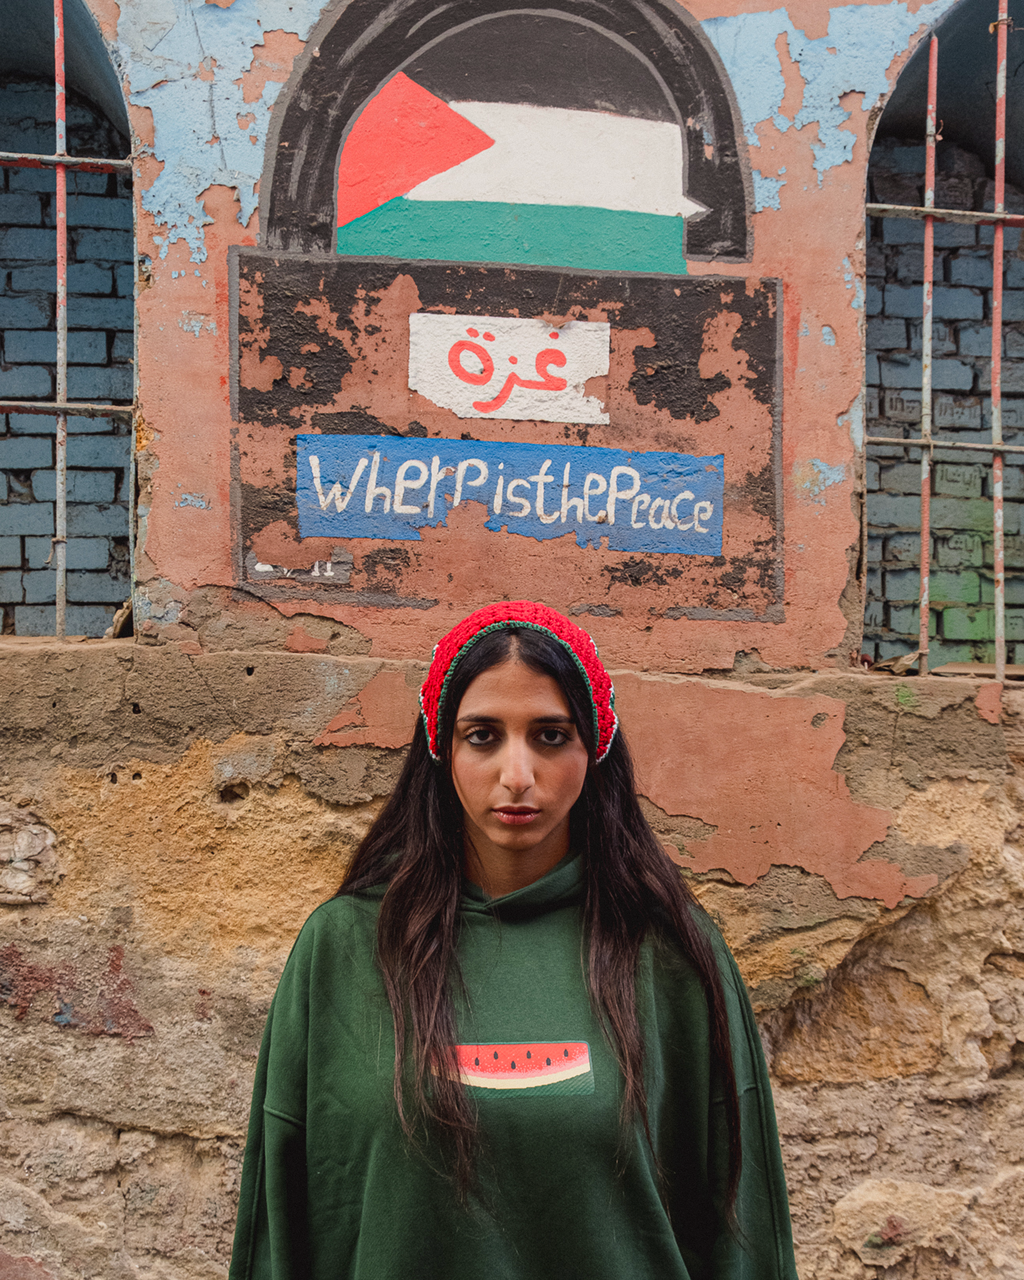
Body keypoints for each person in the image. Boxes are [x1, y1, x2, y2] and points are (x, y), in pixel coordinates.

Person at [229, 601, 798, 1280]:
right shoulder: (344, 948)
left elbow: (745, 1237)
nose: (518, 774)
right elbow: (282, 1224)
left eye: (551, 736)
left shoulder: (668, 953)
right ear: (441, 749)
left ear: (595, 748)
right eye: (483, 736)